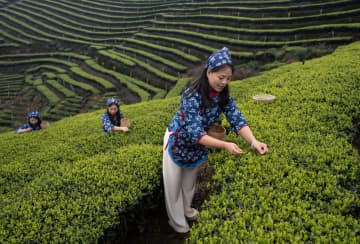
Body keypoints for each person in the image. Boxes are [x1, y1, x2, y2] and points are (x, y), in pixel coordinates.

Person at [162, 47, 268, 234]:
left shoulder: (223, 96)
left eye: (228, 78)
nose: (224, 82)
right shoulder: (191, 95)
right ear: (208, 72)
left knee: (189, 184)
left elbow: (237, 119)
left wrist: (253, 141)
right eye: (221, 77)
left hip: (198, 144)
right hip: (177, 141)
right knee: (173, 186)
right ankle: (178, 225)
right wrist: (225, 144)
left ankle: (188, 211)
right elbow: (195, 133)